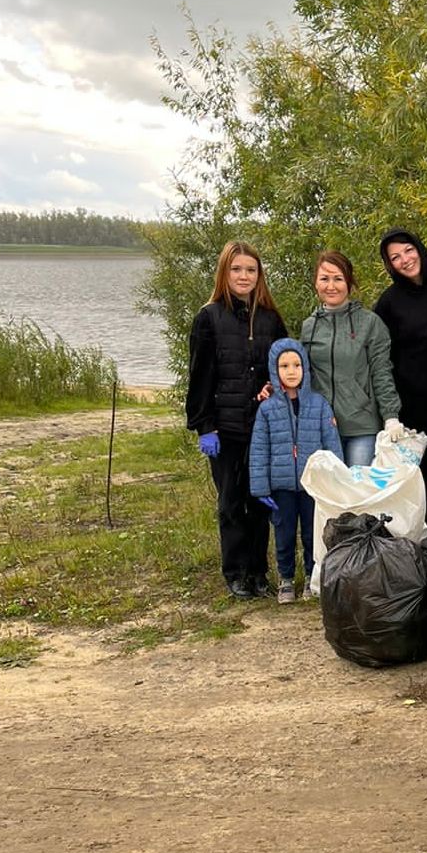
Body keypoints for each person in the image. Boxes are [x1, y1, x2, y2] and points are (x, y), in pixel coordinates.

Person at [186, 240, 287, 600]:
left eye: (250, 270)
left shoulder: (271, 319)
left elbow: (285, 366)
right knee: (231, 501)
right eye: (236, 269)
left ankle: (259, 571)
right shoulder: (209, 317)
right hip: (224, 428)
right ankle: (235, 572)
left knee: (260, 498)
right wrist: (204, 426)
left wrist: (271, 388)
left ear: (259, 275)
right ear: (224, 273)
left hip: (262, 426)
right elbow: (199, 377)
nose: (243, 276)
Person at [249, 338, 343, 603]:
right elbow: (259, 450)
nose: (291, 371)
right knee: (284, 533)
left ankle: (313, 576)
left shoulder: (319, 404)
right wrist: (260, 487)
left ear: (305, 368)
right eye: (284, 366)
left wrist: (335, 479)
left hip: (312, 486)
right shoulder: (267, 409)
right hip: (281, 487)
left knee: (313, 534)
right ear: (274, 370)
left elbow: (331, 444)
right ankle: (286, 579)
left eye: (296, 365)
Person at [374, 230, 427, 528]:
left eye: (408, 251)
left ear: (419, 248)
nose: (405, 260)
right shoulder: (389, 303)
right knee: (422, 474)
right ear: (390, 266)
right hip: (414, 404)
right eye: (395, 257)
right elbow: (379, 355)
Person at [300, 249, 403, 467]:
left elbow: (381, 371)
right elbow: (302, 378)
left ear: (349, 282)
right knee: (330, 497)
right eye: (324, 279)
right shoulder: (309, 327)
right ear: (316, 283)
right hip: (323, 428)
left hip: (362, 426)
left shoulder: (370, 323)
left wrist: (391, 415)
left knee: (358, 494)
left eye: (338, 279)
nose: (331, 286)